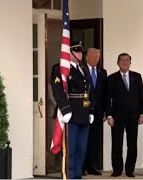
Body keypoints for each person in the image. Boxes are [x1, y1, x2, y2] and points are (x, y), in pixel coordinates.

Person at [51, 41, 94, 179]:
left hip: (83, 114)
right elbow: (58, 91)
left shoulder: (84, 70)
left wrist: (91, 110)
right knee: (70, 150)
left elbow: (89, 92)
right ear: (69, 53)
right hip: (71, 114)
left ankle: (77, 175)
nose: (80, 54)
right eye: (76, 51)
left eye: (81, 51)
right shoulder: (62, 69)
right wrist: (65, 109)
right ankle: (69, 176)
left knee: (81, 149)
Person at [106, 53, 143, 178]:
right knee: (116, 144)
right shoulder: (111, 78)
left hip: (133, 116)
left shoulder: (137, 77)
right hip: (116, 117)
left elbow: (141, 97)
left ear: (130, 63)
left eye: (127, 60)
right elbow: (107, 99)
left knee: (132, 144)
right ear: (118, 63)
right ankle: (117, 170)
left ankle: (130, 170)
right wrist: (109, 116)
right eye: (122, 60)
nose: (124, 62)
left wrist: (142, 114)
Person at [83, 48, 107, 176]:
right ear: (86, 57)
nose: (95, 59)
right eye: (92, 56)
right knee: (83, 140)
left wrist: (105, 111)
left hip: (98, 112)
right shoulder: (81, 70)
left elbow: (105, 93)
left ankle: (93, 166)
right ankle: (82, 167)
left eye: (97, 57)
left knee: (95, 140)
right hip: (84, 111)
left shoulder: (102, 72)